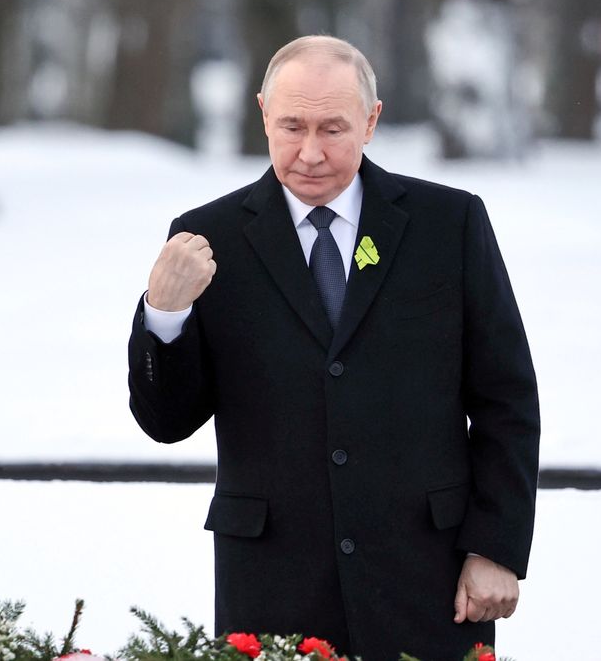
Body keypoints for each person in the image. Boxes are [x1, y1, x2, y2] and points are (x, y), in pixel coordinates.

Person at [127, 35, 539, 660]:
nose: (310, 153)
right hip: (271, 586)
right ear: (263, 112)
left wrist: (495, 547)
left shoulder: (447, 224)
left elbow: (506, 398)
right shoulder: (208, 238)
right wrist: (164, 313)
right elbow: (167, 422)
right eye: (291, 126)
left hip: (429, 580)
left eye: (333, 128)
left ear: (371, 121)